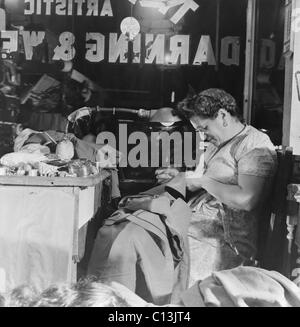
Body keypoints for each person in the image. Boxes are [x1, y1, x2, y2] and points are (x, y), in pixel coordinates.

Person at [157, 88, 278, 284]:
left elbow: (246, 200)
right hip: (198, 224)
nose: (202, 135)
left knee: (153, 243)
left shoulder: (254, 145)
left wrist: (202, 181)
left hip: (225, 241)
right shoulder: (217, 143)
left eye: (204, 128)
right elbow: (204, 182)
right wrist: (181, 176)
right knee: (141, 228)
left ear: (222, 116)